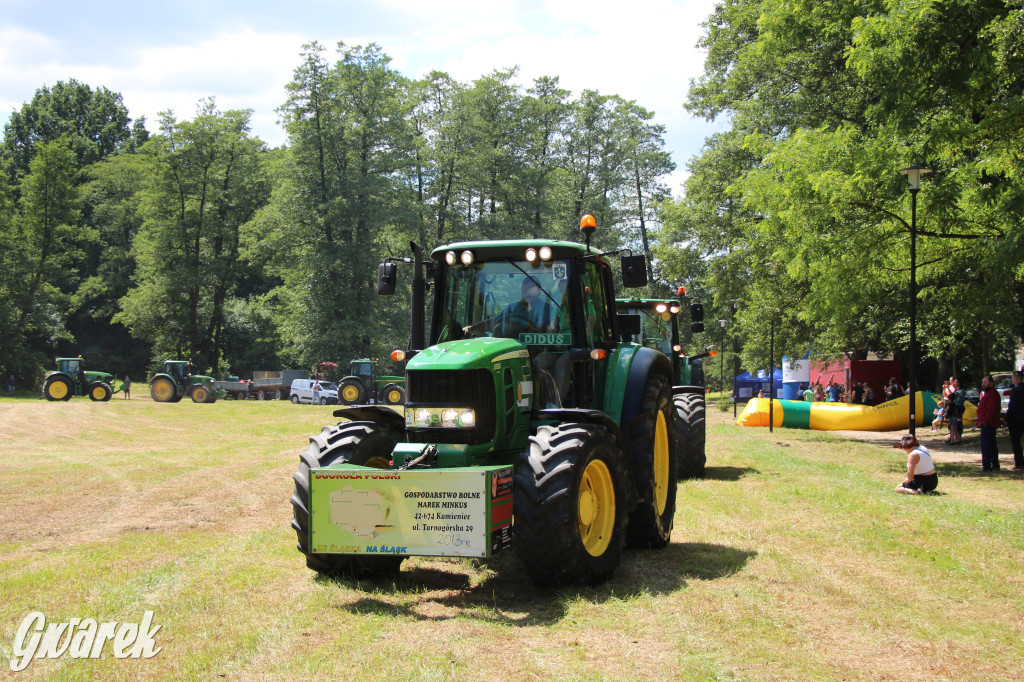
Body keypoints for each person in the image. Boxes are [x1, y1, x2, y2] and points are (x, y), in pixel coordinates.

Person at [976, 374, 1001, 471]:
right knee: (991, 445)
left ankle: (987, 465)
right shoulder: (989, 393)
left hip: (989, 424)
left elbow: (992, 409)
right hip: (987, 422)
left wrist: (986, 421)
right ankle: (994, 464)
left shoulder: (992, 394)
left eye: (985, 382)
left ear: (991, 383)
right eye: (983, 383)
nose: (983, 384)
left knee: (986, 445)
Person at [1006, 371, 1024, 470]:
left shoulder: (1015, 390)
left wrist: (1007, 418)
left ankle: (1019, 463)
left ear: (1016, 379)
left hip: (1017, 419)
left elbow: (1012, 406)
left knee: (1015, 441)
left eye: (1012, 378)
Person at [947, 379, 965, 444]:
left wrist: (954, 404)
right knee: (951, 426)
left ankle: (958, 439)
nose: (955, 383)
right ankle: (952, 438)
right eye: (955, 382)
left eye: (957, 382)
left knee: (958, 424)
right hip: (954, 409)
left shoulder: (962, 391)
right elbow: (950, 396)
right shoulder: (955, 391)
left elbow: (959, 400)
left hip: (958, 408)